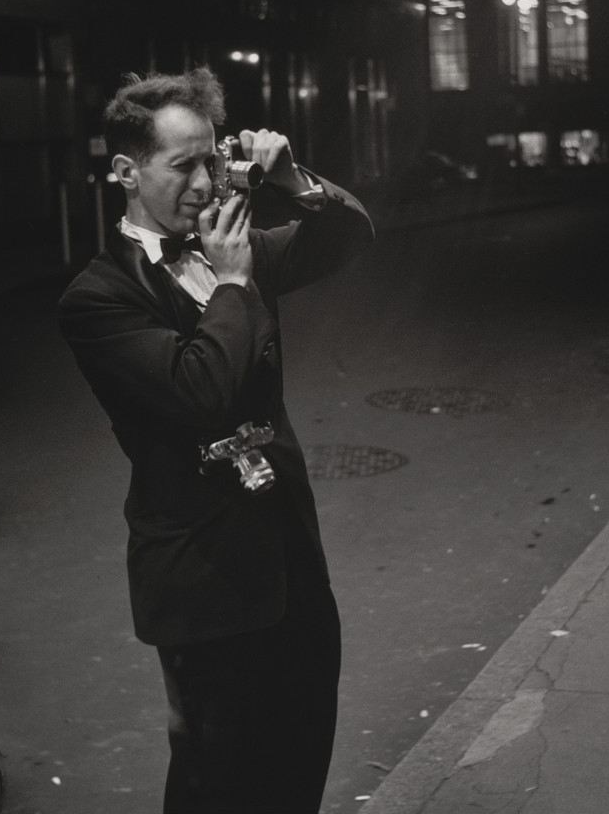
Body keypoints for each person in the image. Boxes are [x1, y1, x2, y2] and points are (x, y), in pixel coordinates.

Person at [58, 67, 374, 814]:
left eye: (212, 159)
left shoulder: (235, 249)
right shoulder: (99, 297)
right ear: (127, 172)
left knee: (299, 763)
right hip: (207, 585)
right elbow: (199, 392)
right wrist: (232, 287)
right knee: (219, 785)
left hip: (290, 562)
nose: (205, 184)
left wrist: (294, 178)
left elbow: (350, 237)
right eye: (182, 166)